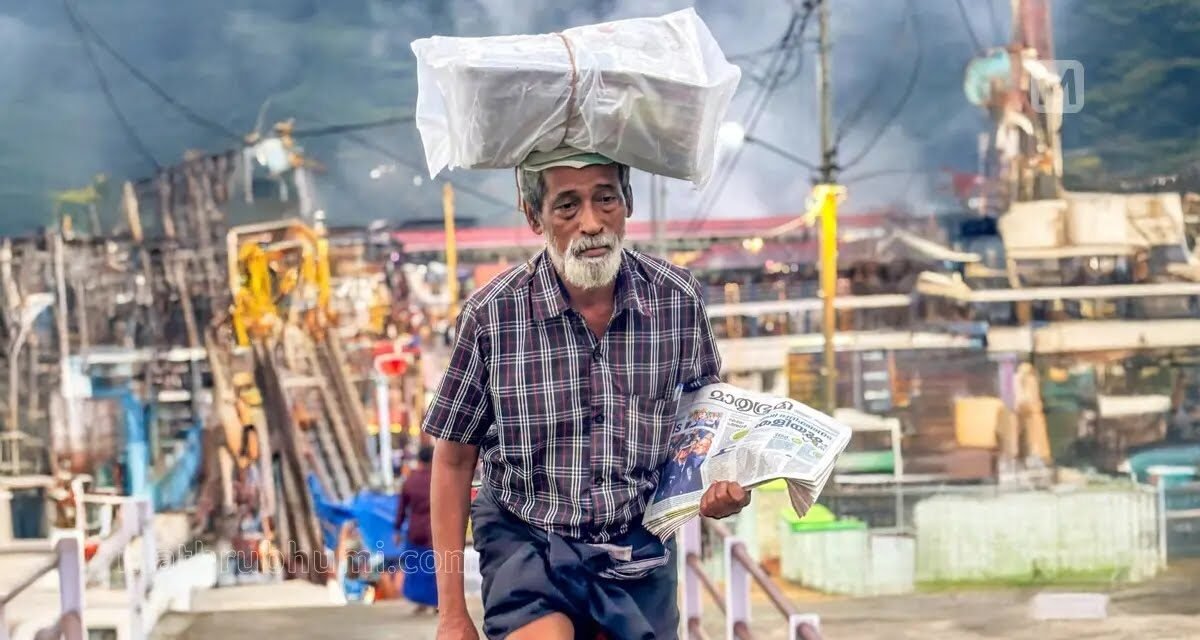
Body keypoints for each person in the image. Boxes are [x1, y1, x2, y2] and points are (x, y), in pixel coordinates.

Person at [422, 146, 750, 640]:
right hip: (527, 537)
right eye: (567, 206)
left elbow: (704, 421)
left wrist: (719, 484)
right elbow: (452, 460)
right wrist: (451, 613)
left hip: (636, 542)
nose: (592, 223)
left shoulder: (677, 300)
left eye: (606, 199)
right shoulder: (493, 316)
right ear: (534, 216)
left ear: (628, 201)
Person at [394, 444, 437, 613]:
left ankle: (421, 602)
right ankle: (436, 602)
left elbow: (401, 508)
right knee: (435, 567)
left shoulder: (410, 480)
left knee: (416, 567)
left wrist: (397, 530)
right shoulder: (437, 479)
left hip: (415, 529)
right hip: (434, 531)